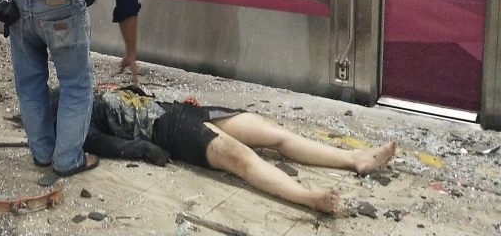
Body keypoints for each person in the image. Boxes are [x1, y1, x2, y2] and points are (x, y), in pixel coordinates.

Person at [81, 87, 397, 214]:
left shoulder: (94, 91)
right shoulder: (78, 121)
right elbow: (109, 144)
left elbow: (143, 100)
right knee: (242, 159)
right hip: (168, 131)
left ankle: (356, 159)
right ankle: (309, 198)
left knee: (275, 135)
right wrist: (148, 150)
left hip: (183, 112)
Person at [5, 0, 141, 178]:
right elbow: (127, 3)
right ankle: (67, 160)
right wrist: (130, 51)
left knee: (29, 81)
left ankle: (42, 154)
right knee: (76, 84)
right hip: (59, 2)